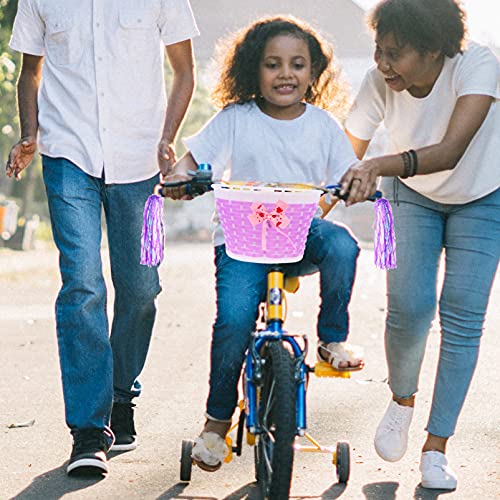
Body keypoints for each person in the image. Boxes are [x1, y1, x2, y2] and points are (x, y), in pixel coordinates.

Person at [6, 0, 199, 476]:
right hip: (67, 153)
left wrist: (168, 137)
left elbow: (184, 71)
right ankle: (88, 431)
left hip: (141, 161)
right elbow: (29, 73)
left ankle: (120, 395)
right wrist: (31, 133)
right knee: (83, 284)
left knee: (140, 288)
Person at [165, 15, 364, 471]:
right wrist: (180, 176)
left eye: (298, 64)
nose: (286, 74)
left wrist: (352, 187)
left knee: (343, 246)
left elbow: (344, 175)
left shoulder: (323, 126)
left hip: (298, 232)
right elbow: (192, 160)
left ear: (314, 73)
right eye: (273, 64)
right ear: (254, 69)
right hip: (242, 240)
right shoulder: (235, 119)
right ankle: (216, 424)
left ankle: (332, 339)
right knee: (234, 322)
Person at [340, 0, 500, 490]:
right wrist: (302, 224)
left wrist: (376, 166)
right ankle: (402, 400)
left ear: (435, 50)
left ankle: (437, 447)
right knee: (407, 306)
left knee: (462, 316)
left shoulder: (479, 64)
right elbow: (344, 160)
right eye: (377, 50)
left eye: (395, 54)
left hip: (485, 197)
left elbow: (451, 151)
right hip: (406, 197)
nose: (382, 64)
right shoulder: (376, 84)